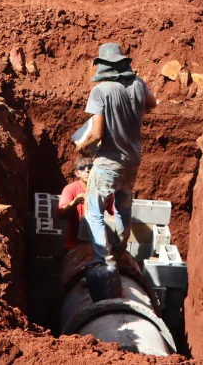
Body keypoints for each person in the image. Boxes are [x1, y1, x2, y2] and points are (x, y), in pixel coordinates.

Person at [74, 43, 157, 267]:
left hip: (109, 161)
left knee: (93, 212)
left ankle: (106, 262)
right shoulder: (138, 84)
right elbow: (152, 103)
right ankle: (119, 252)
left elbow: (97, 133)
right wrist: (131, 110)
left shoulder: (100, 91)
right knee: (123, 206)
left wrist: (82, 147)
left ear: (103, 67)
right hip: (132, 161)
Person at [58, 157, 93, 250]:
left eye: (90, 167)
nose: (87, 170)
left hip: (97, 244)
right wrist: (74, 202)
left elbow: (113, 213)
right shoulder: (70, 189)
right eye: (82, 168)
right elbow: (61, 213)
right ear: (77, 173)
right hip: (74, 245)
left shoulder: (102, 190)